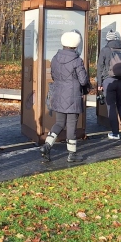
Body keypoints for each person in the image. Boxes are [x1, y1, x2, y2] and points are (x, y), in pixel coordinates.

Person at [40, 31, 90, 163]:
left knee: (59, 123)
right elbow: (83, 81)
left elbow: (54, 75)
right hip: (72, 96)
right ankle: (71, 154)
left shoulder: (55, 58)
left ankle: (47, 145)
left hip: (59, 94)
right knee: (71, 125)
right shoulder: (77, 61)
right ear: (76, 44)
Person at [96, 30, 121, 140]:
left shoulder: (105, 50)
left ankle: (115, 133)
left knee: (111, 106)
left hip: (109, 81)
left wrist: (100, 82)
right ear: (118, 39)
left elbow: (100, 68)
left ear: (108, 39)